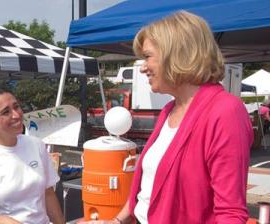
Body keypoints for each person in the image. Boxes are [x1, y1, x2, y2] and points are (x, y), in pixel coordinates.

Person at [103, 11, 252, 224]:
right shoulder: (169, 110)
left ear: (176, 54)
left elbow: (230, 213)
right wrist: (117, 221)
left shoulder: (225, 111)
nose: (143, 67)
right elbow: (148, 188)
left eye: (147, 56)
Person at [0, 88, 65, 224]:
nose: (16, 115)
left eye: (16, 107)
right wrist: (4, 221)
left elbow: (48, 193)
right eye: (6, 112)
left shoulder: (36, 145)